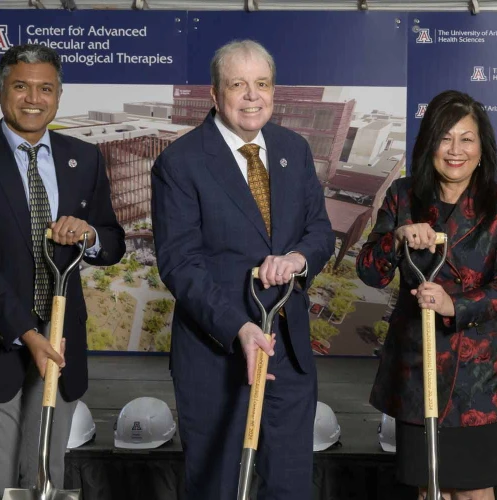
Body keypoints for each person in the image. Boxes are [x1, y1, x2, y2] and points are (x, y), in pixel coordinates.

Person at [0, 43, 125, 499]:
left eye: (46, 88)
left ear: (59, 97)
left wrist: (89, 235)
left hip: (60, 339)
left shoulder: (85, 158)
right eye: (21, 86)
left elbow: (112, 241)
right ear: (0, 93)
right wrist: (27, 332)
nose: (33, 98)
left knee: (44, 476)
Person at [151, 39, 335, 500]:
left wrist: (298, 259)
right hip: (216, 356)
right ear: (215, 94)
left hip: (288, 355)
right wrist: (240, 327)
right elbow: (180, 263)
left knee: (290, 486)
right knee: (217, 486)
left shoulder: (295, 149)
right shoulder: (180, 162)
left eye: (262, 84)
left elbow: (320, 231)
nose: (252, 96)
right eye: (238, 84)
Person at [356, 90, 497, 500]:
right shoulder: (403, 195)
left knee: (471, 492)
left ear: (482, 148)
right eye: (445, 138)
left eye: (466, 139)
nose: (455, 151)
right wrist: (396, 238)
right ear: (428, 144)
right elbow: (369, 273)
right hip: (418, 366)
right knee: (429, 490)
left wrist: (456, 305)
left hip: (481, 377)